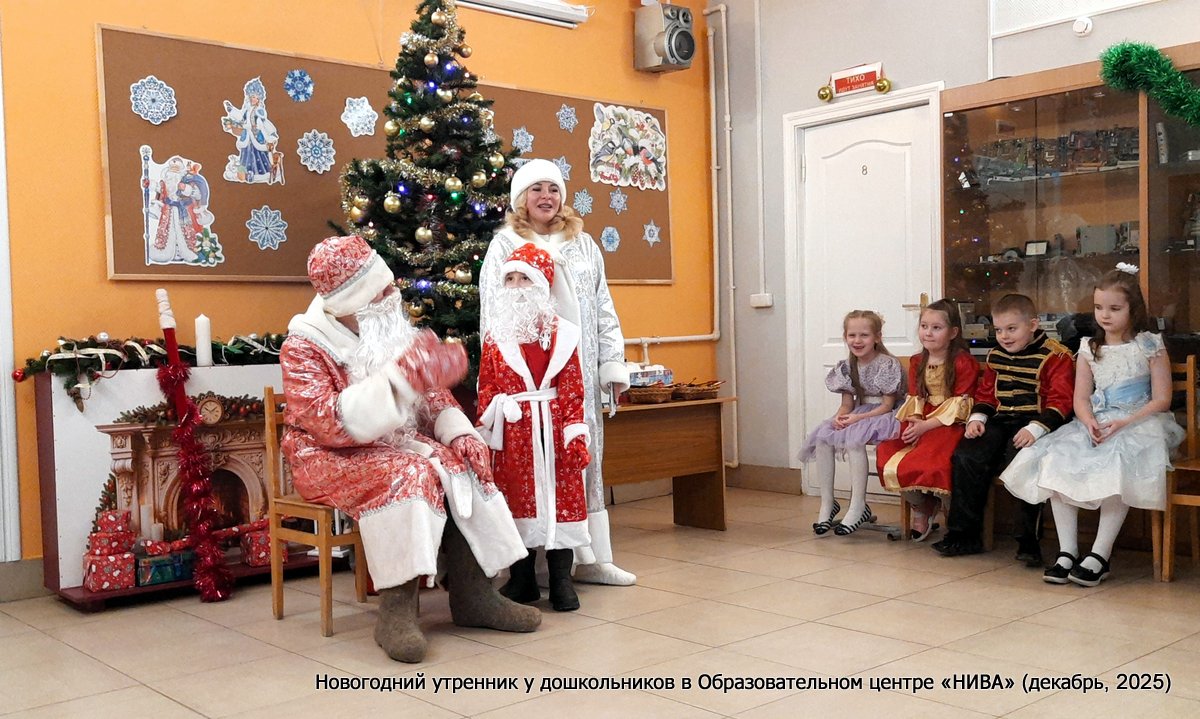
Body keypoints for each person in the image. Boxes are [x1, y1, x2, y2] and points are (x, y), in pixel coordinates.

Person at [279, 235, 540, 664]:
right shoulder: (304, 347)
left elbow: (432, 397)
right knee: (409, 474)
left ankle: (475, 595)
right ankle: (396, 613)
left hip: (391, 445)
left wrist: (459, 433)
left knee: (462, 461)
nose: (392, 293)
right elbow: (328, 423)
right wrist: (402, 379)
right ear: (349, 301)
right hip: (324, 455)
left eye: (387, 283)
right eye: (378, 290)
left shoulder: (388, 329)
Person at [480, 159, 635, 586]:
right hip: (527, 383)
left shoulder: (583, 245)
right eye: (536, 189)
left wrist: (610, 362)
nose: (546, 197)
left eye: (552, 189)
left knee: (582, 461)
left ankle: (593, 558)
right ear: (521, 198)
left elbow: (602, 306)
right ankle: (533, 565)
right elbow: (491, 313)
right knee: (527, 471)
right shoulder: (504, 245)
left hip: (577, 372)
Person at [1001, 266, 1183, 585]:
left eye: (1115, 308)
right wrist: (1088, 422)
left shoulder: (1149, 344)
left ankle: (1100, 553)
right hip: (1096, 421)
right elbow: (1081, 398)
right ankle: (1067, 551)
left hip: (1139, 422)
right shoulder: (1088, 347)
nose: (1105, 315)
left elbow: (1162, 398)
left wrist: (1124, 422)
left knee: (1118, 463)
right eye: (1099, 308)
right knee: (1056, 457)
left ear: (1133, 309)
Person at [477, 244, 591, 611]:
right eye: (509, 279)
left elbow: (573, 388)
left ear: (541, 284)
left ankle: (561, 581)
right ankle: (522, 580)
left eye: (524, 278)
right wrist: (495, 413)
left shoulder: (565, 334)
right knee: (517, 500)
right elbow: (487, 385)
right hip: (514, 434)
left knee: (562, 500)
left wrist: (575, 431)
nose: (516, 286)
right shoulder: (495, 336)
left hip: (554, 428)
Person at [933, 293, 1075, 562]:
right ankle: (964, 535)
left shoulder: (1056, 356)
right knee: (966, 455)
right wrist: (977, 418)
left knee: (1022, 462)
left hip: (1035, 423)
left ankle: (1028, 541)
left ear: (1033, 325)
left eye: (1011, 329)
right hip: (999, 421)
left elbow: (1061, 401)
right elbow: (987, 394)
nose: (1004, 337)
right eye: (998, 330)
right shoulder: (996, 354)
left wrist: (1036, 429)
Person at [877, 300, 980, 541]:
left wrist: (926, 426)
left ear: (953, 332)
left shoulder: (963, 362)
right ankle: (922, 505)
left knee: (938, 462)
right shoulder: (917, 361)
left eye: (936, 328)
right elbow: (915, 397)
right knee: (888, 452)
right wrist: (915, 422)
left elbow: (960, 403)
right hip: (921, 419)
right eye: (924, 326)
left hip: (948, 423)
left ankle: (952, 513)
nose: (928, 333)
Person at [799, 310, 903, 536]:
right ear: (845, 337)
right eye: (852, 335)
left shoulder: (887, 364)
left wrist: (858, 419)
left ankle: (858, 505)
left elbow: (887, 405)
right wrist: (840, 417)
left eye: (864, 335)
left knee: (854, 440)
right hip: (859, 412)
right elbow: (847, 404)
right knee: (824, 437)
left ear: (877, 337)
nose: (857, 341)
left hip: (885, 415)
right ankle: (828, 503)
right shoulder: (846, 366)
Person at [221, 77, 280, 185]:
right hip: (247, 136)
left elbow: (265, 122)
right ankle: (245, 173)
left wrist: (272, 133)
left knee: (258, 155)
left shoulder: (259, 110)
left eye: (256, 98)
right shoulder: (247, 110)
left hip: (256, 136)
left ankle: (261, 174)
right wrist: (231, 109)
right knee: (246, 155)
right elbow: (240, 117)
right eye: (252, 97)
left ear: (259, 100)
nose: (253, 99)